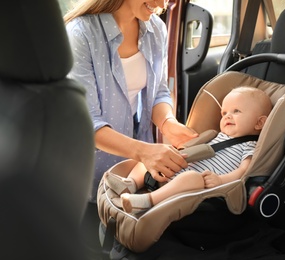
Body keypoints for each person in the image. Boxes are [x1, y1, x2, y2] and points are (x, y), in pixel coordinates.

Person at [63, 0, 197, 257]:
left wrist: (169, 124)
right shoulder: (80, 34)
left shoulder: (155, 28)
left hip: (130, 173)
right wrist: (144, 152)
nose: (162, 5)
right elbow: (86, 123)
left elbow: (158, 93)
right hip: (84, 175)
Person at [105, 86, 273, 214]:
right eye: (224, 113)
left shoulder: (249, 146)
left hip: (199, 186)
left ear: (259, 123)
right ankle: (131, 184)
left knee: (193, 178)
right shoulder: (216, 136)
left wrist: (220, 181)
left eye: (236, 111)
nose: (227, 116)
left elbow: (243, 172)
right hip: (176, 172)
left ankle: (146, 201)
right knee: (153, 154)